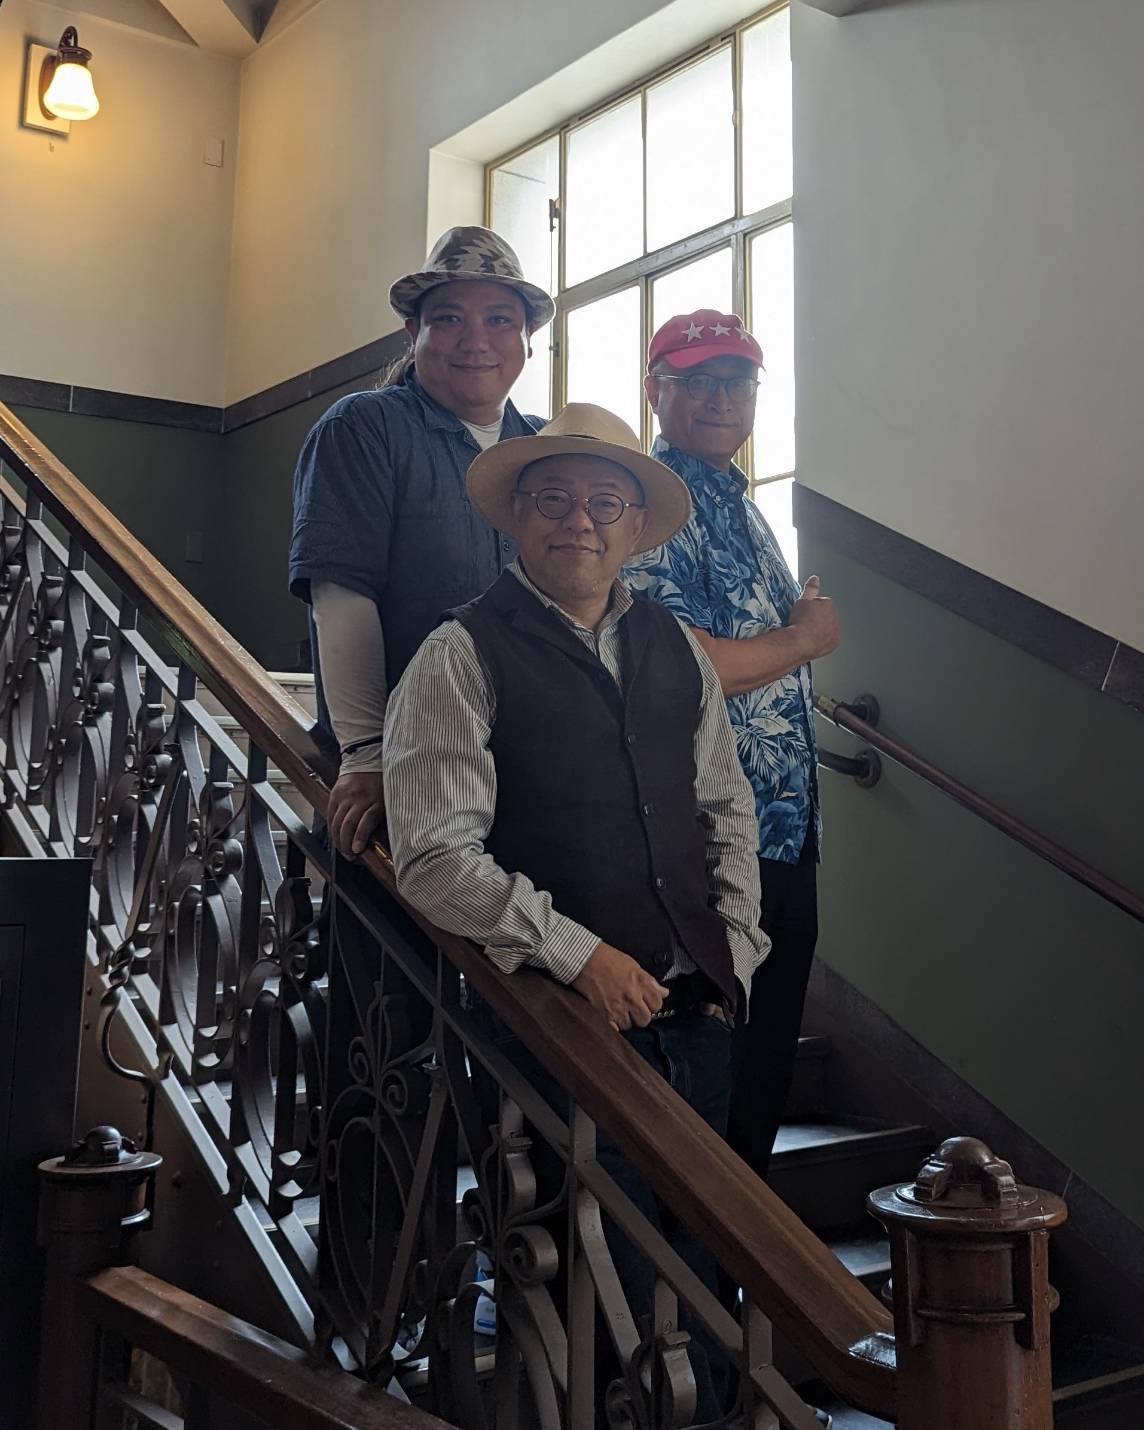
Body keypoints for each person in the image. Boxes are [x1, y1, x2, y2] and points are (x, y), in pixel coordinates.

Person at [382, 403, 768, 1421]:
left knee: (702, 1256)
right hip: (563, 1030)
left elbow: (725, 806)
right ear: (517, 515)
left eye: (604, 501)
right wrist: (577, 953)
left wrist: (736, 950)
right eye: (553, 498)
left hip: (697, 1017)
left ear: (635, 527)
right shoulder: (459, 653)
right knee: (607, 1285)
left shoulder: (673, 646)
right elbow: (434, 858)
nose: (579, 520)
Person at [628, 310, 842, 1185]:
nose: (721, 399)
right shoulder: (649, 508)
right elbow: (685, 669)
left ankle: (737, 1254)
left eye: (737, 381)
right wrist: (805, 638)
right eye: (697, 381)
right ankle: (687, 1256)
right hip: (707, 838)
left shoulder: (743, 510)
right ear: (655, 391)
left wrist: (792, 639)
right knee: (706, 1070)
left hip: (785, 835)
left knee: (762, 1072)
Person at [288, 226, 554, 857]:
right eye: (449, 318)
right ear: (414, 333)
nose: (476, 341)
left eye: (499, 319)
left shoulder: (547, 450)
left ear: (527, 339)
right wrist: (367, 754)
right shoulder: (365, 427)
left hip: (533, 770)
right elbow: (342, 595)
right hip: (409, 776)